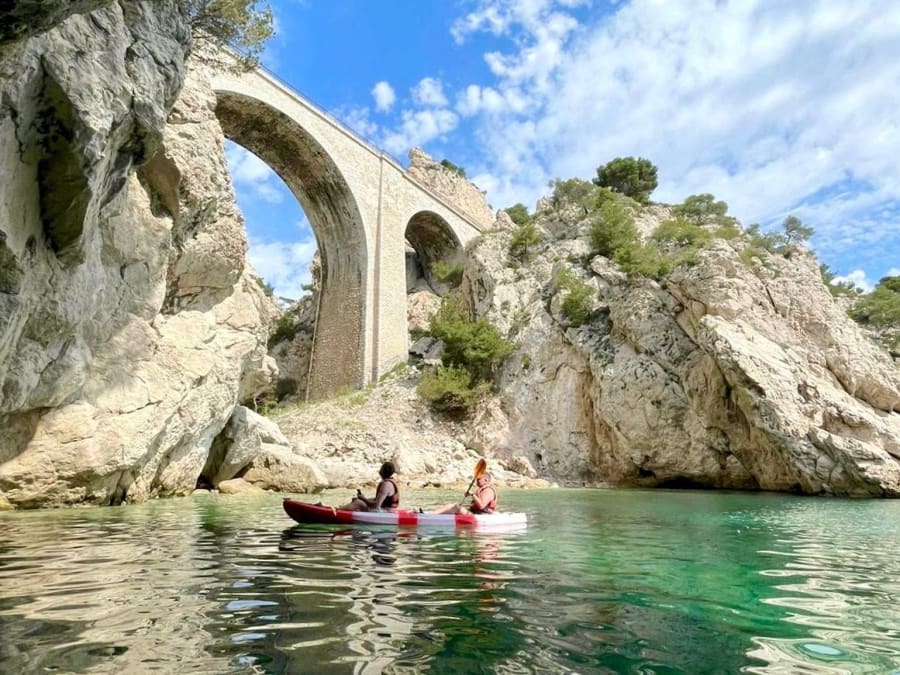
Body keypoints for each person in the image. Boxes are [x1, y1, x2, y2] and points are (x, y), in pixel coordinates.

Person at [432, 472, 497, 514]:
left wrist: (472, 494)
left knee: (455, 507)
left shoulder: (488, 491)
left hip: (483, 516)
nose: (476, 481)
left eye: (478, 479)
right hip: (475, 513)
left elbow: (481, 506)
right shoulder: (482, 490)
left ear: (486, 480)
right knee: (451, 505)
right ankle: (432, 514)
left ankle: (430, 516)